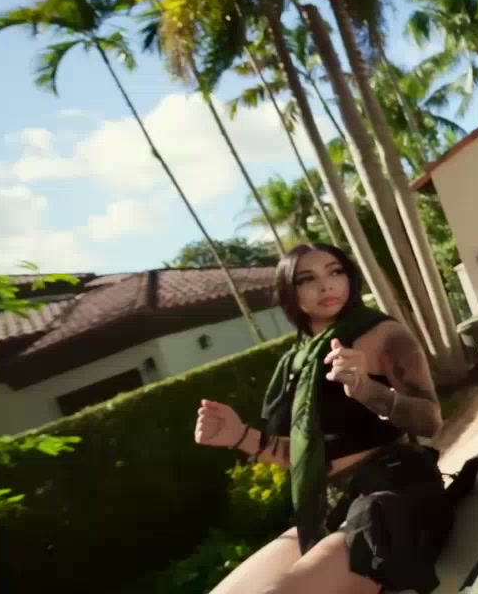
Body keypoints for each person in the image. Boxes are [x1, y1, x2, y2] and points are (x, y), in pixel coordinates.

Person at [193, 243, 454, 594]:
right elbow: (307, 455)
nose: (326, 285)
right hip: (330, 504)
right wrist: (239, 435)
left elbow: (431, 422)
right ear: (289, 292)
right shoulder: (298, 360)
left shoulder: (383, 333)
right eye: (307, 279)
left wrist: (367, 389)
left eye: (335, 272)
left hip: (392, 493)